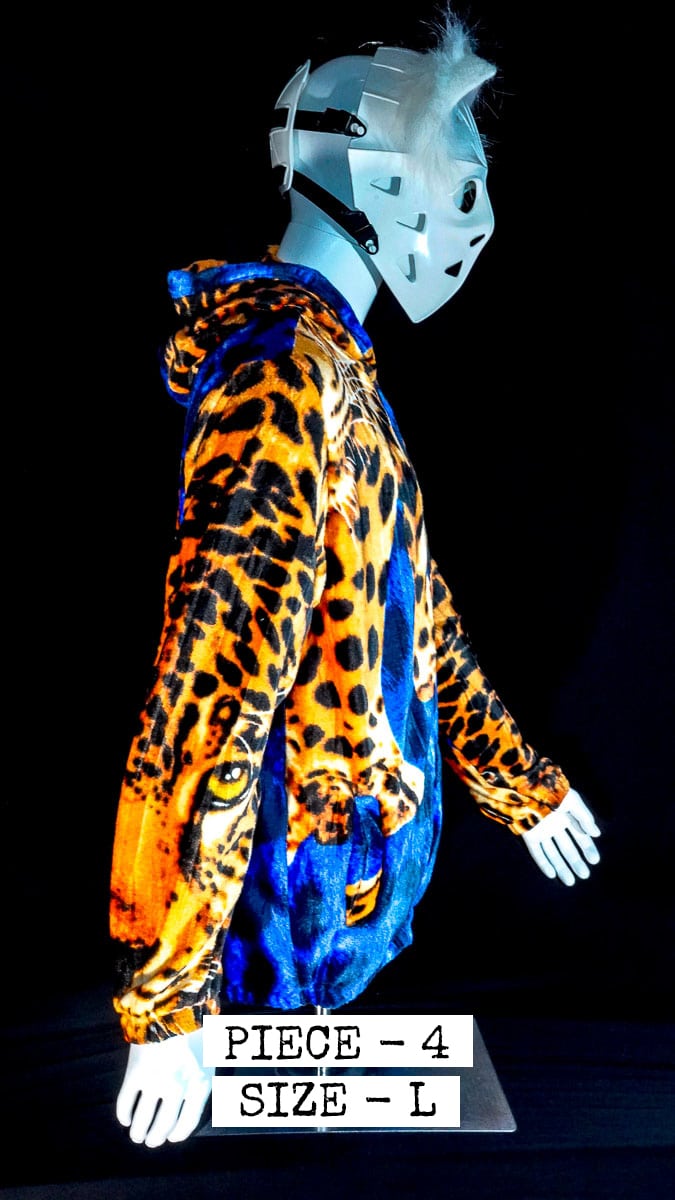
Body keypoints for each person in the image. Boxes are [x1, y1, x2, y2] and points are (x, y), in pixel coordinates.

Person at [111, 10, 601, 1148]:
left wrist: (522, 784)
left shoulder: (336, 371)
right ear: (380, 178)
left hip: (331, 907)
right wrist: (167, 995)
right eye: (455, 169)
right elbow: (209, 685)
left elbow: (420, 623)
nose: (473, 207)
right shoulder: (280, 377)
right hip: (274, 933)